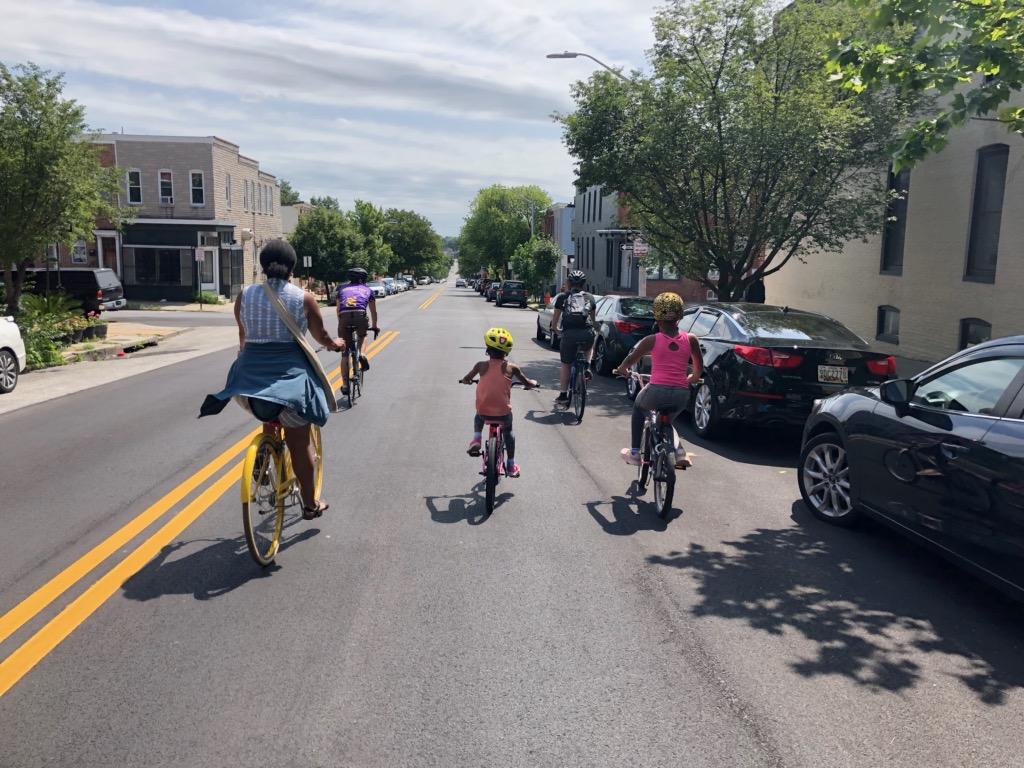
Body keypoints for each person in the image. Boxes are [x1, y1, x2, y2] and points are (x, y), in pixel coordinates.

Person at [200, 240, 345, 519]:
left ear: (263, 266)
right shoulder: (303, 298)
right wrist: (335, 344)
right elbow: (321, 337)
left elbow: (243, 337)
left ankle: (265, 453)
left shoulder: (244, 296)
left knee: (267, 400)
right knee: (299, 444)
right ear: (291, 267)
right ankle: (310, 504)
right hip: (289, 383)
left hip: (247, 383)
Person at [612, 291, 703, 470]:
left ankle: (635, 452)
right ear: (680, 316)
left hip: (656, 391)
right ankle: (680, 452)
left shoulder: (651, 340)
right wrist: (692, 378)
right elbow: (699, 367)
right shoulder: (691, 339)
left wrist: (623, 370)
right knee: (666, 422)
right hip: (681, 393)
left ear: (656, 317)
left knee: (639, 408)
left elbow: (631, 359)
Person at [460, 327, 538, 478]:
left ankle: (476, 439)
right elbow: (527, 382)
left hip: (484, 411)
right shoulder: (512, 368)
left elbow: (467, 378)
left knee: (478, 416)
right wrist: (532, 384)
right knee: (508, 432)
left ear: (488, 350)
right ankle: (511, 465)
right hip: (503, 413)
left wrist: (466, 381)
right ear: (506, 352)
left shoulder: (480, 366)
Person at [551, 269, 597, 407]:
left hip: (569, 334)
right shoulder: (590, 297)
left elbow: (555, 322)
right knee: (589, 346)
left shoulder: (562, 297)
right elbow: (593, 321)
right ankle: (587, 365)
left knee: (566, 364)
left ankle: (563, 395)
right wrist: (593, 329)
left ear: (569, 283)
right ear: (583, 284)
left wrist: (556, 330)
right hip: (586, 333)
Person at [337, 266, 379, 396]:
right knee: (363, 335)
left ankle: (345, 385)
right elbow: (373, 311)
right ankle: (362, 354)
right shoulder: (368, 290)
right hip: (360, 315)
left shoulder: (341, 289)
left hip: (344, 317)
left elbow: (338, 310)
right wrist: (375, 326)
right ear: (363, 279)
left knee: (345, 353)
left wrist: (342, 325)